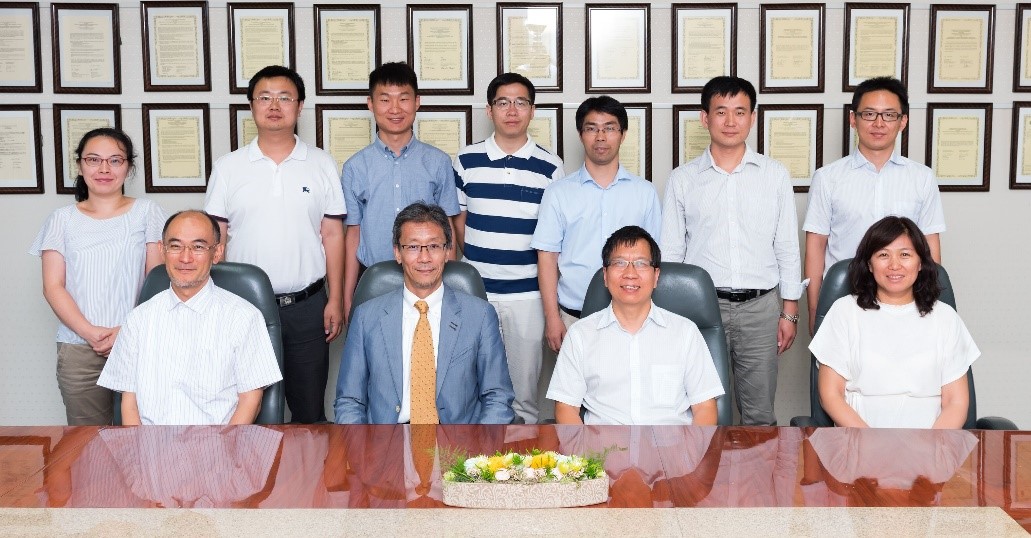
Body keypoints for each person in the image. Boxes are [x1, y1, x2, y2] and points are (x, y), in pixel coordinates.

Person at [205, 65, 345, 423]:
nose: (274, 106)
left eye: (284, 98)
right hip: (243, 308)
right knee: (246, 412)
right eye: (264, 98)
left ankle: (307, 464)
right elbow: (214, 241)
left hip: (307, 305)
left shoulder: (321, 163)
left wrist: (335, 299)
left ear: (299, 106)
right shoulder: (228, 167)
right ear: (252, 106)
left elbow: (333, 235)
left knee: (309, 414)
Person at [660, 76, 802, 426]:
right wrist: (669, 315)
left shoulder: (774, 175)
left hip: (761, 308)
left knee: (759, 415)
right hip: (701, 307)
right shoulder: (683, 179)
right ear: (704, 118)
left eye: (740, 112)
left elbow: (786, 246)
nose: (730, 121)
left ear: (752, 118)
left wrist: (789, 312)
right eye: (721, 111)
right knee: (704, 412)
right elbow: (672, 253)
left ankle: (758, 467)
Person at [29, 127, 165, 425]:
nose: (104, 169)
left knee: (145, 436)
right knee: (88, 442)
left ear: (128, 167)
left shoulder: (147, 212)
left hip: (138, 343)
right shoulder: (61, 220)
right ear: (80, 165)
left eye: (115, 160)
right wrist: (90, 333)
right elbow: (53, 287)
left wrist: (124, 331)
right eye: (93, 160)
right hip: (79, 348)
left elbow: (156, 284)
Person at [334, 203, 515, 425]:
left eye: (434, 246)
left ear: (447, 251)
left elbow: (498, 398)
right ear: (397, 252)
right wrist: (365, 445)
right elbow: (349, 401)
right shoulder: (366, 317)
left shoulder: (480, 316)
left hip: (459, 440)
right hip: (386, 438)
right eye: (413, 247)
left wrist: (476, 446)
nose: (424, 258)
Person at [97, 211, 283, 425]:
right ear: (162, 250)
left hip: (219, 442)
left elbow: (251, 401)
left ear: (217, 252)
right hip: (149, 442)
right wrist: (139, 446)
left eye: (198, 247)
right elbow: (129, 403)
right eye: (176, 246)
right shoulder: (138, 320)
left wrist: (224, 446)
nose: (185, 258)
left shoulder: (243, 317)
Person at [452, 72, 565, 424]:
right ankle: (474, 458)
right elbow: (459, 222)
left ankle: (521, 458)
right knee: (468, 389)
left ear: (532, 110)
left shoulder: (551, 166)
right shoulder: (466, 160)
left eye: (520, 102)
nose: (512, 110)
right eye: (503, 102)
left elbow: (553, 236)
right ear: (489, 110)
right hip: (475, 294)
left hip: (527, 296)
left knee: (522, 396)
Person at [804, 76, 945, 335]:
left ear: (903, 121)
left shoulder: (922, 178)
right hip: (843, 297)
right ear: (853, 119)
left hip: (905, 300)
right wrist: (815, 311)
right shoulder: (827, 178)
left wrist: (931, 306)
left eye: (889, 115)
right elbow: (815, 248)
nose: (879, 123)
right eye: (869, 114)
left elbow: (930, 247)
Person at [809, 216, 978, 429]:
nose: (894, 265)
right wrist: (870, 442)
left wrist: (931, 446)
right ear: (869, 264)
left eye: (905, 255)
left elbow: (956, 402)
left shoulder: (945, 318)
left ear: (920, 263)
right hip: (859, 440)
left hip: (933, 442)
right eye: (883, 255)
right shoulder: (844, 311)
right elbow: (830, 395)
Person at [547, 226, 723, 425]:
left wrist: (690, 447)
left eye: (641, 263)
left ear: (656, 276)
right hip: (603, 444)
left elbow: (705, 407)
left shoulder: (686, 332)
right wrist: (587, 447)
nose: (630, 273)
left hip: (671, 443)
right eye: (619, 263)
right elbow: (566, 408)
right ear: (605, 275)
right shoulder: (580, 335)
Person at [531, 96, 662, 355]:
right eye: (591, 128)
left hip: (632, 317)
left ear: (623, 134)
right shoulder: (558, 193)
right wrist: (552, 317)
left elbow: (654, 261)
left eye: (609, 128)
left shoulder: (645, 193)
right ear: (581, 134)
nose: (600, 137)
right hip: (573, 317)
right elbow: (547, 258)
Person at [342, 62, 461, 321]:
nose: (395, 109)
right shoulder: (355, 166)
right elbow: (353, 233)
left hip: (428, 278)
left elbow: (448, 230)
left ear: (417, 102)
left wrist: (450, 290)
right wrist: (348, 296)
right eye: (385, 99)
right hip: (372, 279)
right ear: (371, 104)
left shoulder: (438, 162)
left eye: (404, 99)